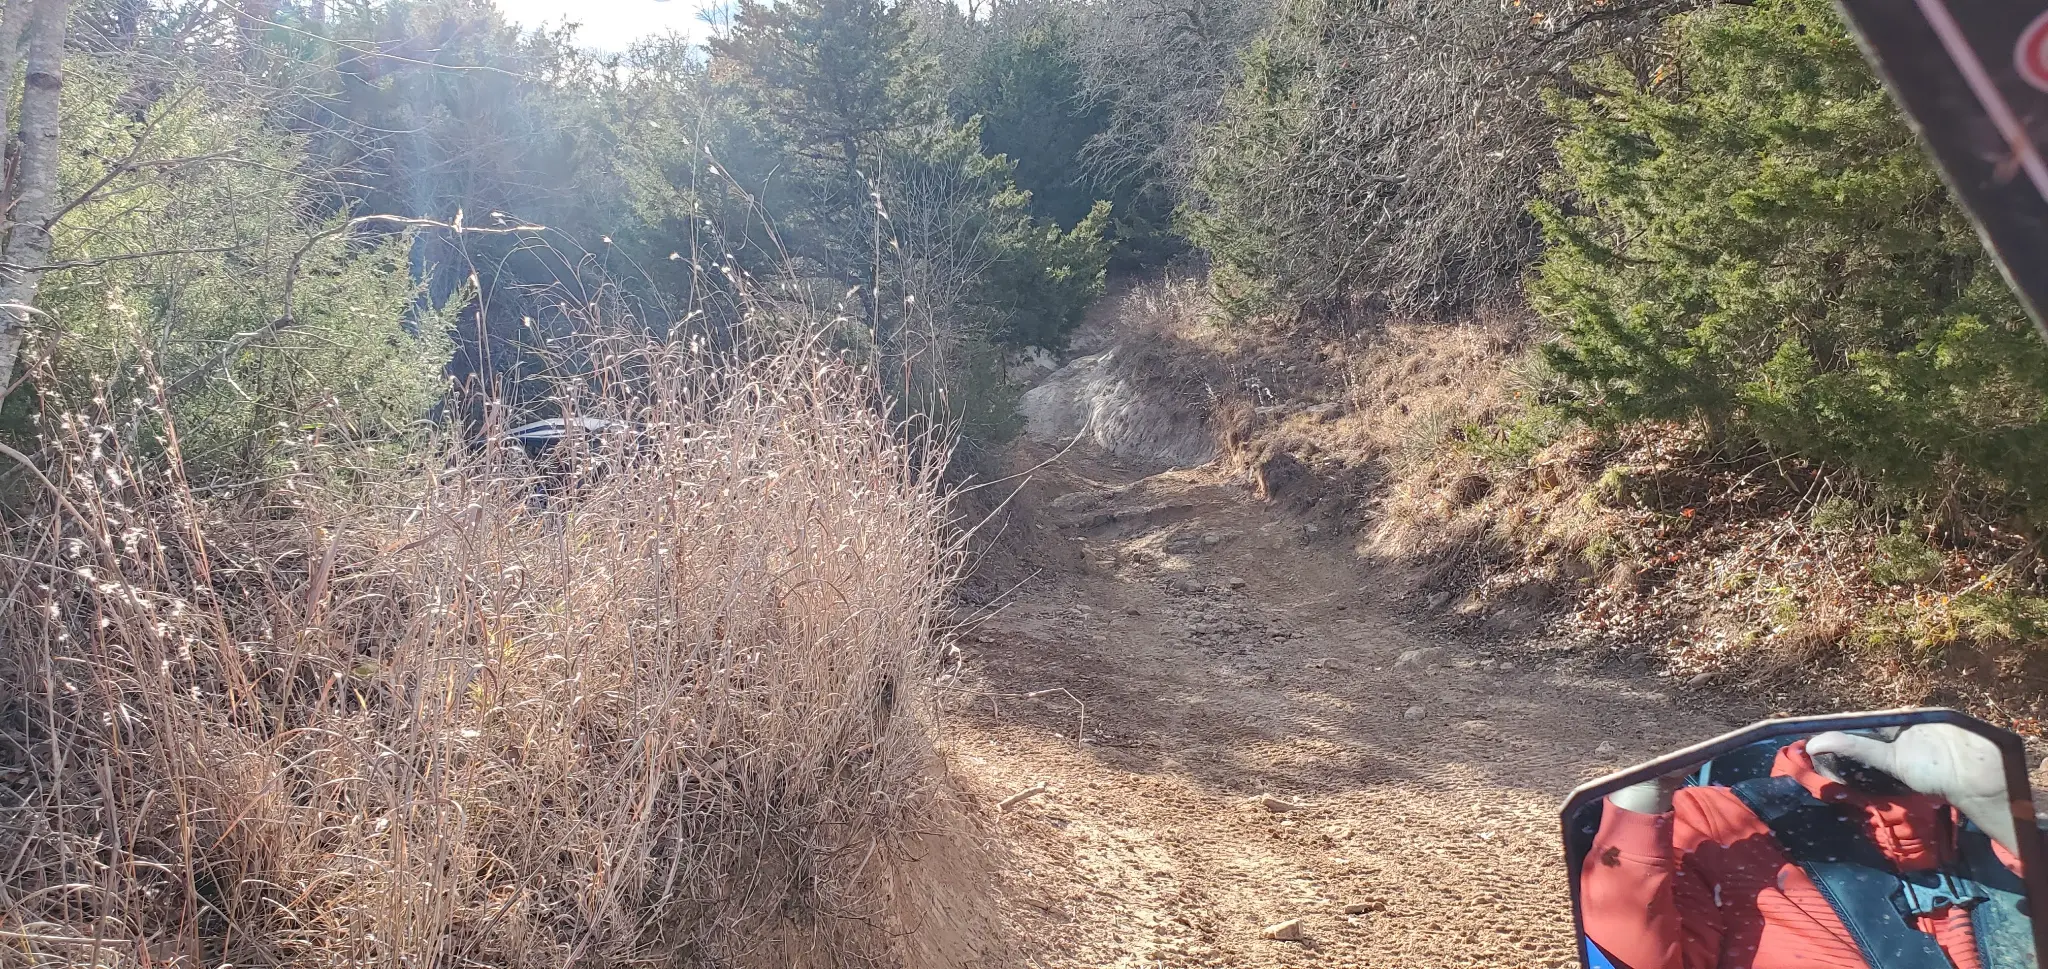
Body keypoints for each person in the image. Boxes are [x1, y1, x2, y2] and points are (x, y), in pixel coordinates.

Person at [1580, 724, 2027, 969]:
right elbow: (1629, 958)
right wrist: (1641, 805)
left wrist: (1997, 809)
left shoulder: (2000, 831)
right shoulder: (1711, 817)